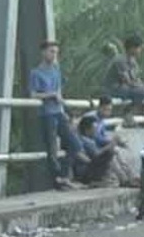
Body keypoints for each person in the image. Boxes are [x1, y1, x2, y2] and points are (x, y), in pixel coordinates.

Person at [29, 41, 86, 190]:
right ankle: (58, 180)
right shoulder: (36, 72)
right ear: (43, 52)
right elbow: (33, 94)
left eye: (55, 52)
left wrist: (64, 109)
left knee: (75, 144)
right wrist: (50, 95)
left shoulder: (56, 70)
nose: (54, 55)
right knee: (52, 148)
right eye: (51, 51)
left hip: (58, 112)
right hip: (46, 114)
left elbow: (59, 92)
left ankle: (63, 175)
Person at [81, 97, 139, 187]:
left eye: (109, 110)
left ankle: (130, 176)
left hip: (97, 146)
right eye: (105, 109)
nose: (107, 112)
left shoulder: (102, 120)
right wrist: (112, 142)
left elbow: (103, 136)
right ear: (99, 107)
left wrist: (116, 141)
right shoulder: (91, 118)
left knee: (116, 151)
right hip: (88, 149)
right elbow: (95, 137)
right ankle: (124, 179)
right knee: (113, 151)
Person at [107, 35, 144, 126]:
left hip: (125, 87)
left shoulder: (133, 61)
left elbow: (136, 79)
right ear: (132, 48)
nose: (140, 50)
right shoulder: (120, 60)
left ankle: (132, 112)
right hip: (115, 88)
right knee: (142, 92)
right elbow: (128, 81)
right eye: (139, 48)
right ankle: (127, 112)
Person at [75, 115, 115, 186]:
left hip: (87, 169)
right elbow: (96, 154)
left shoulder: (90, 139)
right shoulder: (85, 140)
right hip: (84, 172)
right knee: (108, 153)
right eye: (94, 129)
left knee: (112, 152)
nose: (96, 131)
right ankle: (96, 180)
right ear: (87, 130)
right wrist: (110, 146)